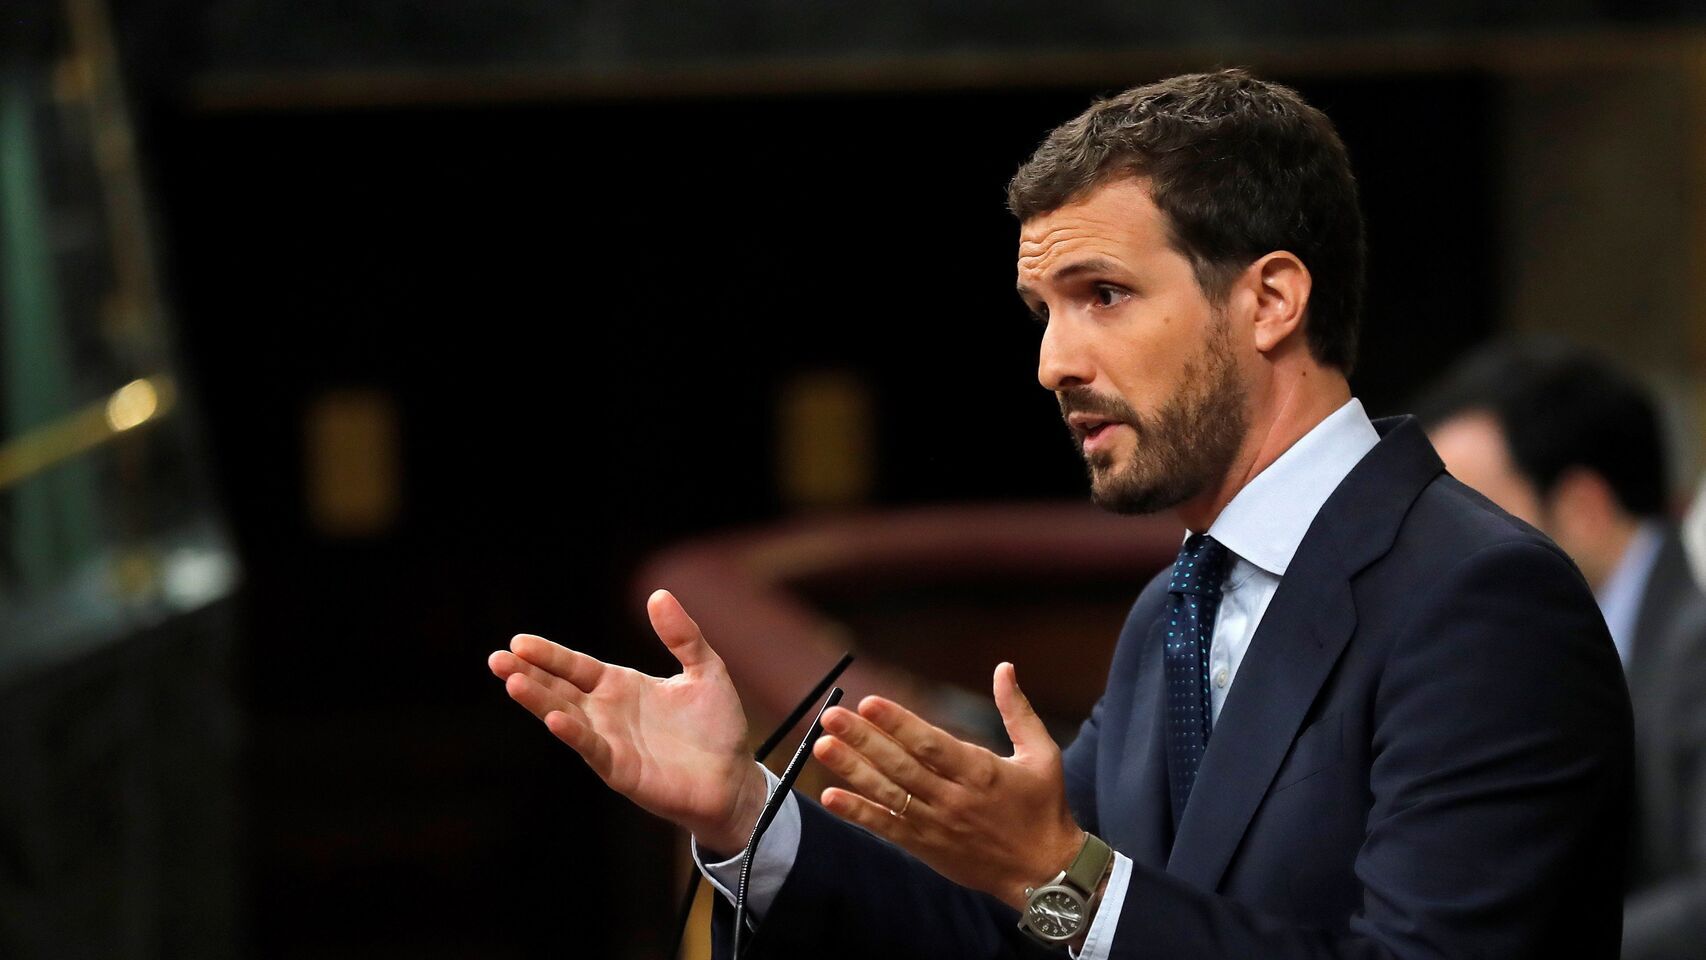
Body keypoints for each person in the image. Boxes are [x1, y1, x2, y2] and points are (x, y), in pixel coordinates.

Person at [488, 69, 1632, 958]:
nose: (1051, 363)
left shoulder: (1478, 596)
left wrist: (1060, 877)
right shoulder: (1172, 611)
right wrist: (744, 808)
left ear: (1271, 299)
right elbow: (1012, 926)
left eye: (1101, 297)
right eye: (1042, 310)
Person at [1418, 340, 1706, 959]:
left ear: (1584, 507)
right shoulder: (1539, 647)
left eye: (1469, 510)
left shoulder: (1695, 641)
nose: (1436, 547)